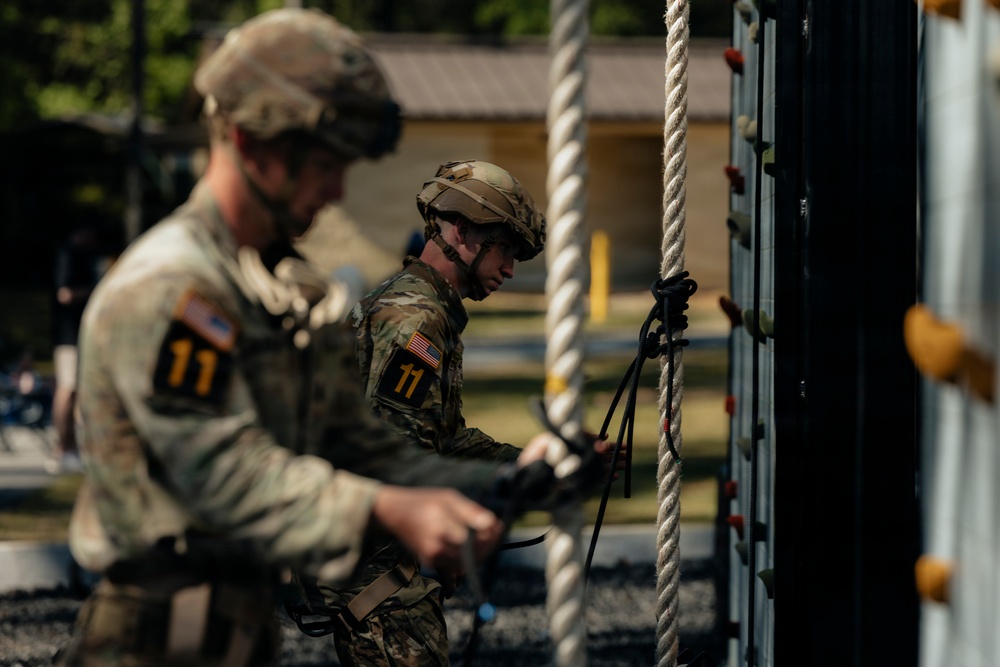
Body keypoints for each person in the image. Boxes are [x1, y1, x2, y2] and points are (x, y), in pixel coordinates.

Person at [59, 10, 553, 666]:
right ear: (248, 140)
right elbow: (222, 473)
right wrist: (393, 510)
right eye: (324, 162)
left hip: (231, 627)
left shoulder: (284, 293)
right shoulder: (174, 287)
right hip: (151, 636)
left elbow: (369, 445)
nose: (338, 188)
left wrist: (514, 480)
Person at [297, 160, 612, 666]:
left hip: (385, 571)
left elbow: (439, 438)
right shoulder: (416, 322)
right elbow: (400, 454)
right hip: (380, 588)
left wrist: (536, 466)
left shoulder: (417, 307)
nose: (510, 268)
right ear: (461, 231)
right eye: (504, 248)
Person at [49, 221, 107, 473]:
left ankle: (76, 447)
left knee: (81, 390)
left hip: (83, 334)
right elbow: (65, 294)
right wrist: (97, 291)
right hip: (68, 335)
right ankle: (63, 448)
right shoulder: (68, 254)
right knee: (68, 388)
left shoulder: (89, 255)